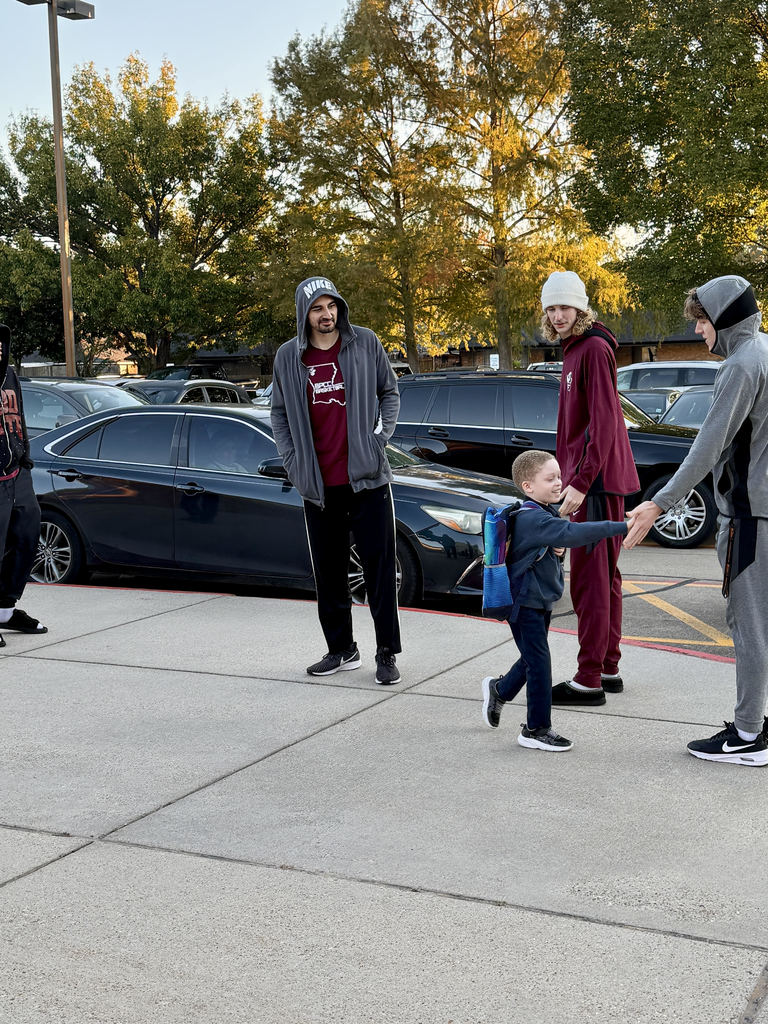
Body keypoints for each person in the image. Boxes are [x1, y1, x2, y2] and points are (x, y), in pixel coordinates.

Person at [625, 275, 768, 766]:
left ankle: (747, 736)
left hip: (751, 518)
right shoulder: (764, 351)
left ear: (724, 319)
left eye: (703, 321)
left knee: (749, 627)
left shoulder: (741, 364)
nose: (698, 331)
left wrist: (659, 502)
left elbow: (708, 447)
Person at [270, 276, 402, 684]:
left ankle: (386, 653)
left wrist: (379, 439)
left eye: (331, 306)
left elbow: (390, 392)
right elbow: (278, 413)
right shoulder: (288, 357)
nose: (326, 314)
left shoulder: (365, 342)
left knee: (379, 571)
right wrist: (293, 462)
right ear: (304, 314)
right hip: (319, 485)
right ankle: (342, 649)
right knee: (329, 574)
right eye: (317, 308)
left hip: (368, 480)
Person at [481, 450, 629, 750]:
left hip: (539, 600)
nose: (559, 483)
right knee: (539, 663)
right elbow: (574, 532)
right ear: (528, 486)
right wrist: (622, 525)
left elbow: (550, 543)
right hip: (525, 604)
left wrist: (555, 550)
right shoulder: (534, 517)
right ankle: (536, 729)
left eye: (560, 476)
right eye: (550, 479)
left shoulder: (543, 511)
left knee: (532, 657)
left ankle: (500, 690)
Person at [540, 271, 639, 706]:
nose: (558, 315)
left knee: (590, 582)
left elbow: (604, 422)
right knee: (605, 578)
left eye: (565, 307)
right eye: (551, 308)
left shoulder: (594, 349)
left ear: (581, 308)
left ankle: (588, 679)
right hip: (593, 480)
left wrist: (579, 483)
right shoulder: (575, 349)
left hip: (594, 484)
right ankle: (608, 667)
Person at [0, 324, 47, 646]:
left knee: (26, 540)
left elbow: (19, 415)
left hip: (17, 472)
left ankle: (4, 611)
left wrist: (25, 455)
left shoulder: (10, 375)